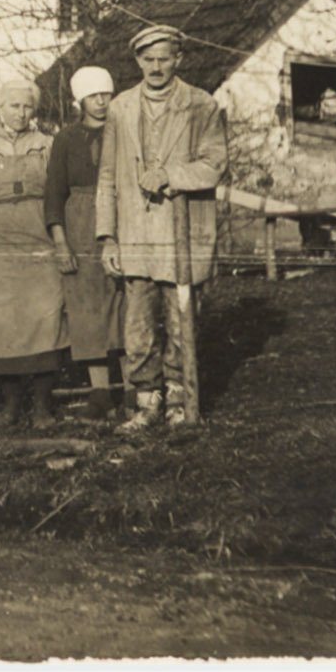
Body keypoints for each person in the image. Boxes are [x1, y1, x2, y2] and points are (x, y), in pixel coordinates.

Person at [95, 25, 228, 431]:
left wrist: (170, 174)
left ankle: (179, 399)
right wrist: (108, 237)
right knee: (136, 325)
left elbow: (215, 164)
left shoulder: (201, 105)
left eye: (164, 59)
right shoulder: (120, 108)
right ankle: (146, 402)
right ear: (137, 61)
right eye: (148, 60)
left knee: (181, 318)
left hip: (180, 231)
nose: (156, 67)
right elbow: (107, 176)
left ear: (178, 60)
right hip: (135, 231)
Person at [0, 79, 71, 426]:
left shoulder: (48, 145)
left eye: (26, 106)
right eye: (13, 106)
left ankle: (41, 407)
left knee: (46, 318)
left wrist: (60, 241)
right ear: (0, 108)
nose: (21, 113)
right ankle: (10, 407)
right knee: (3, 323)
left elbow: (59, 194)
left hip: (40, 239)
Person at [45, 65, 124, 420]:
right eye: (94, 96)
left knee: (123, 301)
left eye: (106, 95)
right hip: (78, 224)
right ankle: (100, 391)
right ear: (81, 100)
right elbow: (53, 194)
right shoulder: (65, 139)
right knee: (86, 306)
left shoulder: (123, 132)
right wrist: (61, 243)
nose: (102, 102)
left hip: (121, 217)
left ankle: (136, 388)